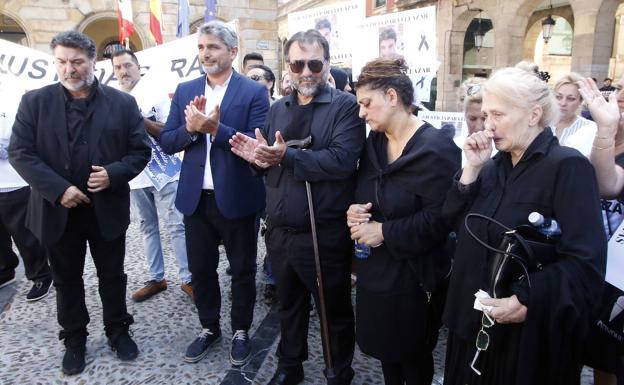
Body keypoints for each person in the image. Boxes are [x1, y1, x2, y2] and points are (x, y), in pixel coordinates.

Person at [441, 67, 606, 385]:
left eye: (498, 114)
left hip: (524, 344)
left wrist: (528, 299)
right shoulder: (489, 167)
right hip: (470, 325)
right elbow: (451, 225)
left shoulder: (568, 167)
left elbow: (585, 262)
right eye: (486, 114)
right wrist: (470, 172)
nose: (488, 125)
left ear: (533, 115)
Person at [8, 31, 150, 375]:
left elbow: (140, 151)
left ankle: (118, 330)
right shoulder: (35, 103)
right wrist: (58, 189)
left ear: (92, 62)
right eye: (61, 62)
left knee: (112, 276)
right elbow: (21, 153)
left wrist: (113, 174)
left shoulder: (122, 103)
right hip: (58, 211)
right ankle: (74, 339)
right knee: (66, 279)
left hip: (107, 210)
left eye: (77, 62)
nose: (69, 69)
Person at [229, 29, 365, 385]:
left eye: (314, 63)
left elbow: (341, 161)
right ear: (287, 66)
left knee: (332, 308)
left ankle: (339, 370)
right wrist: (257, 158)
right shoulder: (277, 109)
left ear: (328, 64)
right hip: (279, 231)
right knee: (287, 305)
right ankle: (290, 365)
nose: (306, 71)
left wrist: (286, 155)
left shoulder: (345, 108)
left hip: (324, 233)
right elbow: (270, 160)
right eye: (297, 63)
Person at [159, 20, 268, 367]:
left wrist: (215, 129)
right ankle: (209, 327)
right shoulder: (187, 87)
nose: (206, 53)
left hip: (238, 197)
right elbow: (168, 140)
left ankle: (240, 330)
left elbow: (256, 143)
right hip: (196, 199)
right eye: (202, 47)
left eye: (214, 47)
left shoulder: (252, 92)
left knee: (242, 270)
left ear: (233, 52)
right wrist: (191, 130)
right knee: (202, 270)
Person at [346, 58, 460, 385]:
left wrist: (383, 231)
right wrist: (354, 210)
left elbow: (441, 219)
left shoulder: (437, 149)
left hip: (414, 278)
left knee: (412, 358)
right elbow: (364, 190)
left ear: (392, 97)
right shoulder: (375, 143)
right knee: (386, 354)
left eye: (367, 103)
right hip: (375, 273)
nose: (361, 113)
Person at [111, 49, 192, 302]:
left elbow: (169, 131)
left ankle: (189, 279)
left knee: (177, 225)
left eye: (127, 65)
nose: (123, 71)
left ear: (138, 67)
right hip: (135, 174)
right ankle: (157, 278)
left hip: (164, 170)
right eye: (118, 68)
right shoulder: (113, 99)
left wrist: (138, 119)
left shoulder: (155, 93)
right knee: (147, 227)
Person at [578, 76, 624, 385]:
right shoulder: (590, 129)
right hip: (598, 265)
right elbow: (604, 184)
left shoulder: (602, 133)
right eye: (621, 92)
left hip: (618, 269)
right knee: (600, 353)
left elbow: (608, 184)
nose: (622, 99)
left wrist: (605, 131)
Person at [0, 74, 52, 302]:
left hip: (12, 180)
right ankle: (5, 269)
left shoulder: (12, 92)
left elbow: (25, 135)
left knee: (25, 233)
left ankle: (41, 274)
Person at [245, 63, 278, 304]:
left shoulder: (280, 109)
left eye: (256, 77)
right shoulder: (239, 108)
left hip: (271, 181)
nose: (250, 81)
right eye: (247, 77)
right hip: (246, 179)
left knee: (273, 233)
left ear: (270, 83)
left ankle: (272, 279)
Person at [551, 72, 597, 156]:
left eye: (570, 99)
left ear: (580, 101)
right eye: (558, 97)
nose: (563, 103)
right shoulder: (541, 124)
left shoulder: (590, 128)